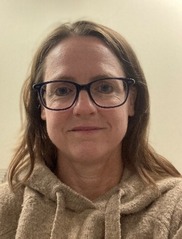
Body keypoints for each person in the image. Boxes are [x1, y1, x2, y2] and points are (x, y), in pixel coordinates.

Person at [0, 20, 182, 239]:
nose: (84, 108)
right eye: (63, 90)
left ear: (131, 101)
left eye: (105, 87)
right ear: (41, 106)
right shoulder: (6, 207)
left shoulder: (175, 209)